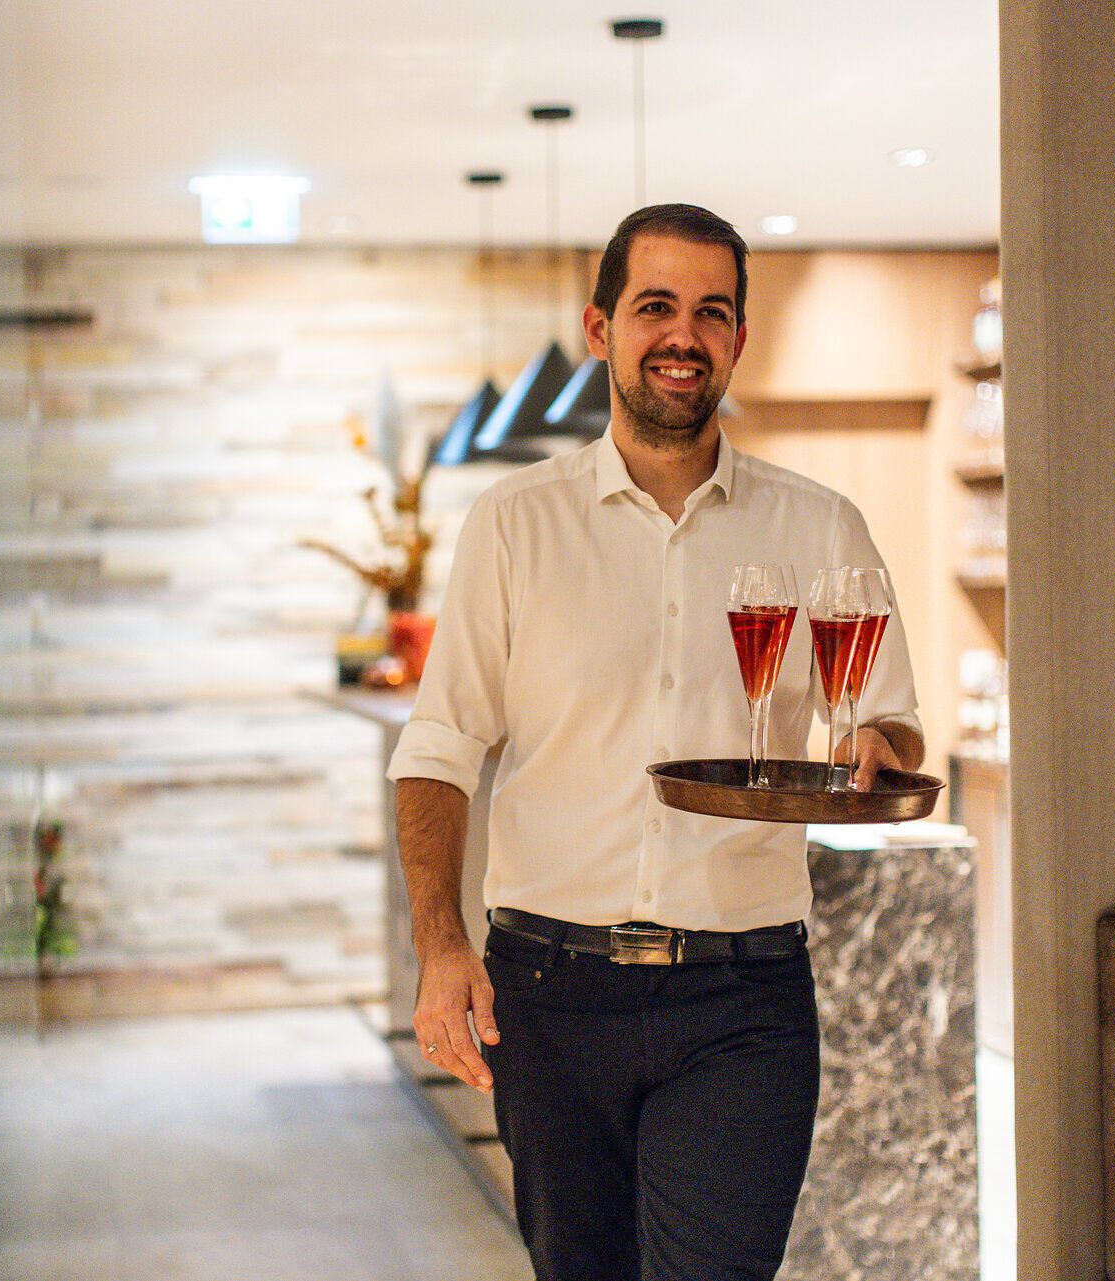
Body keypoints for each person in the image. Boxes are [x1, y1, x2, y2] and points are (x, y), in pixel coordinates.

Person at [386, 203, 924, 1281]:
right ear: (600, 328)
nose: (684, 334)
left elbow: (892, 721)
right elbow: (440, 746)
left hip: (742, 999)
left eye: (711, 312)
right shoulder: (515, 524)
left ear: (738, 339)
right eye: (655, 307)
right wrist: (440, 943)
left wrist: (878, 749)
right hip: (546, 993)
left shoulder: (818, 525)